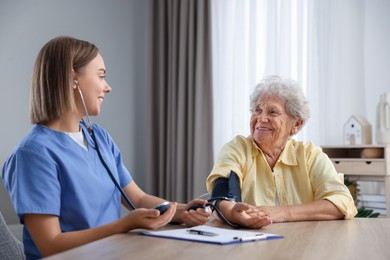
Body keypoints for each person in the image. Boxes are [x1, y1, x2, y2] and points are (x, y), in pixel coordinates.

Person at [2, 36, 211, 259]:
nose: (107, 87)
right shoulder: (33, 154)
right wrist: (122, 226)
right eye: (101, 76)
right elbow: (50, 245)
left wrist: (181, 210)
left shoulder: (99, 137)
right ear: (73, 79)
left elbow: (137, 199)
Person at [206, 75, 357, 229]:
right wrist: (232, 213)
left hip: (303, 243)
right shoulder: (237, 149)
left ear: (296, 124)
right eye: (257, 110)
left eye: (273, 112)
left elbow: (342, 202)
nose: (261, 118)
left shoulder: (310, 155)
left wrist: (280, 213)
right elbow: (221, 198)